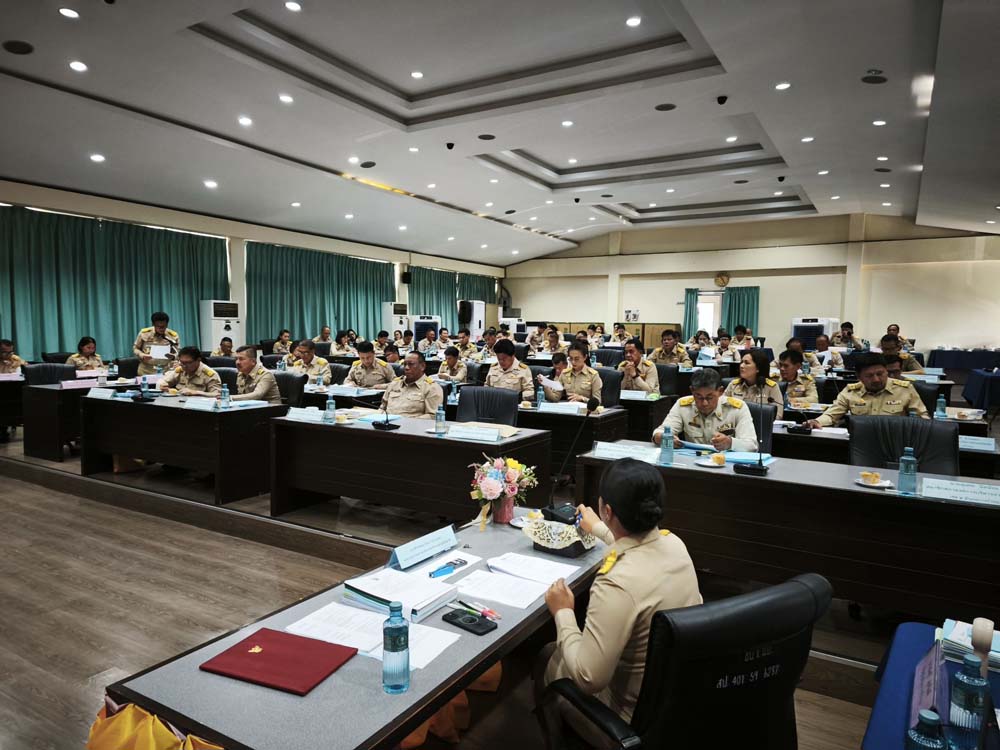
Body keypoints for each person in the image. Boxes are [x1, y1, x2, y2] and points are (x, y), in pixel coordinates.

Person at [536, 459, 701, 746]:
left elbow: (589, 678)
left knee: (547, 660)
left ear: (608, 510)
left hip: (630, 720)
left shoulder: (616, 582)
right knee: (552, 650)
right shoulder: (675, 544)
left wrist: (563, 612)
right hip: (675, 699)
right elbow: (637, 547)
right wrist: (601, 529)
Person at [805, 353, 928, 428]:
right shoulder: (851, 391)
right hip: (862, 443)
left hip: (896, 441)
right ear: (859, 377)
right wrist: (816, 421)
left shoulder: (904, 389)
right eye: (869, 376)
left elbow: (923, 420)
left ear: (886, 372)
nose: (876, 379)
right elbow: (832, 414)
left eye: (880, 374)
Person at [653, 368, 758, 451]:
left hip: (725, 464)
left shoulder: (737, 408)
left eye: (709, 397)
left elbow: (752, 445)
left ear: (720, 391)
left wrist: (730, 443)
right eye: (698, 397)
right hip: (692, 463)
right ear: (692, 390)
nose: (704, 403)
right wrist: (661, 437)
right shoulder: (683, 405)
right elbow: (660, 432)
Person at [380, 351, 443, 418]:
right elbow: (382, 408)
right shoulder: (395, 384)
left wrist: (409, 422)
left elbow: (433, 416)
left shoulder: (431, 388)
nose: (406, 368)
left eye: (411, 364)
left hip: (413, 423)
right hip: (386, 422)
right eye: (405, 364)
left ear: (422, 366)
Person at [724, 349, 783, 418]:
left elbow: (778, 415)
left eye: (747, 363)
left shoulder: (771, 387)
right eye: (741, 362)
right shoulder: (734, 385)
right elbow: (722, 407)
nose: (741, 366)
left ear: (758, 368)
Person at [133, 311, 180, 376]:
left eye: (164, 326)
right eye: (158, 326)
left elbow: (178, 352)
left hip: (166, 370)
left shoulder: (173, 336)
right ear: (153, 324)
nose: (161, 329)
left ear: (167, 324)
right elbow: (135, 348)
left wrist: (173, 356)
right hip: (146, 370)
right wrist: (142, 355)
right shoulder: (144, 333)